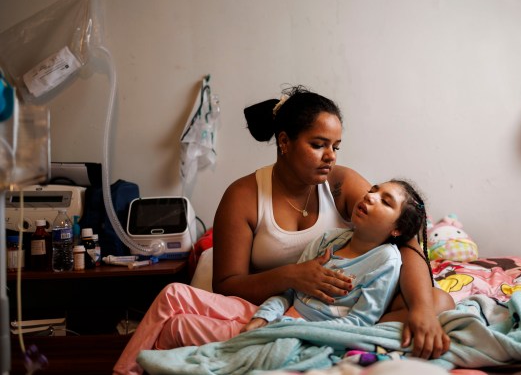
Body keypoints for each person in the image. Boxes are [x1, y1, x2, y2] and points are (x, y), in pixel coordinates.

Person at [114, 86, 452, 375]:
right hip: (271, 303)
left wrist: (422, 309)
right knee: (179, 308)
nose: (330, 156)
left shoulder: (341, 184)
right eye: (319, 144)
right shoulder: (244, 196)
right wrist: (292, 276)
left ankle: (352, 338)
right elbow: (227, 284)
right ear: (285, 142)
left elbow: (406, 242)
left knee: (439, 300)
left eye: (336, 146)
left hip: (340, 309)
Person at [243, 179, 431, 331]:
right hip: (282, 322)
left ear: (398, 229)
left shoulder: (385, 260)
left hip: (316, 334)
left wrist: (294, 328)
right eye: (373, 190)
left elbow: (359, 322)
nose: (370, 196)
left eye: (385, 201)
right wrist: (264, 316)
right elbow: (290, 291)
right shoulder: (327, 240)